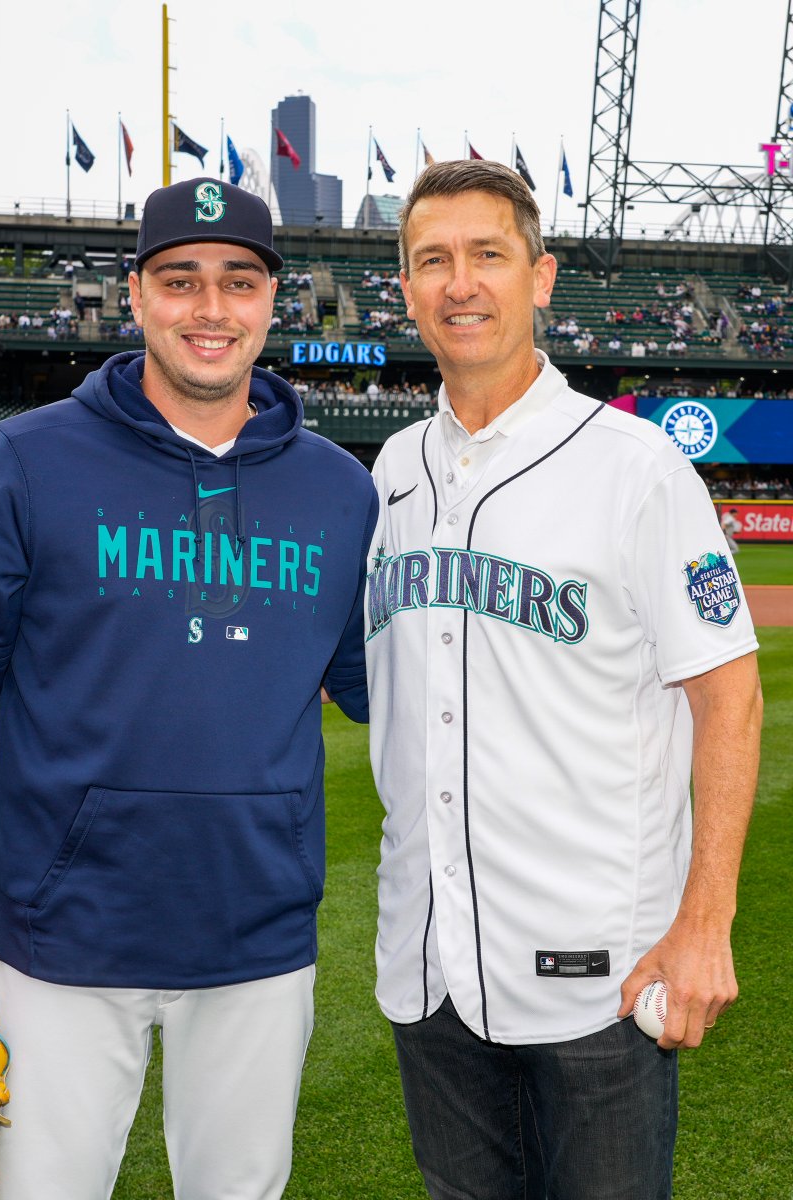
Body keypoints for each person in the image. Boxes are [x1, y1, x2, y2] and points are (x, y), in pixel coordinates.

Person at [0, 177, 378, 1200]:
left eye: (238, 282)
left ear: (274, 300)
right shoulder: (24, 462)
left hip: (259, 942)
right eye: (181, 280)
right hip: (63, 943)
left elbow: (383, 690)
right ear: (136, 294)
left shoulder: (341, 492)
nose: (211, 309)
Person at [364, 160, 762, 1200]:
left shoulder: (636, 468)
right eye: (433, 261)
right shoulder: (392, 472)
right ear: (405, 288)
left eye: (488, 256)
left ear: (539, 279)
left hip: (600, 973)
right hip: (432, 964)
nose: (461, 283)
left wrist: (705, 922)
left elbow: (730, 695)